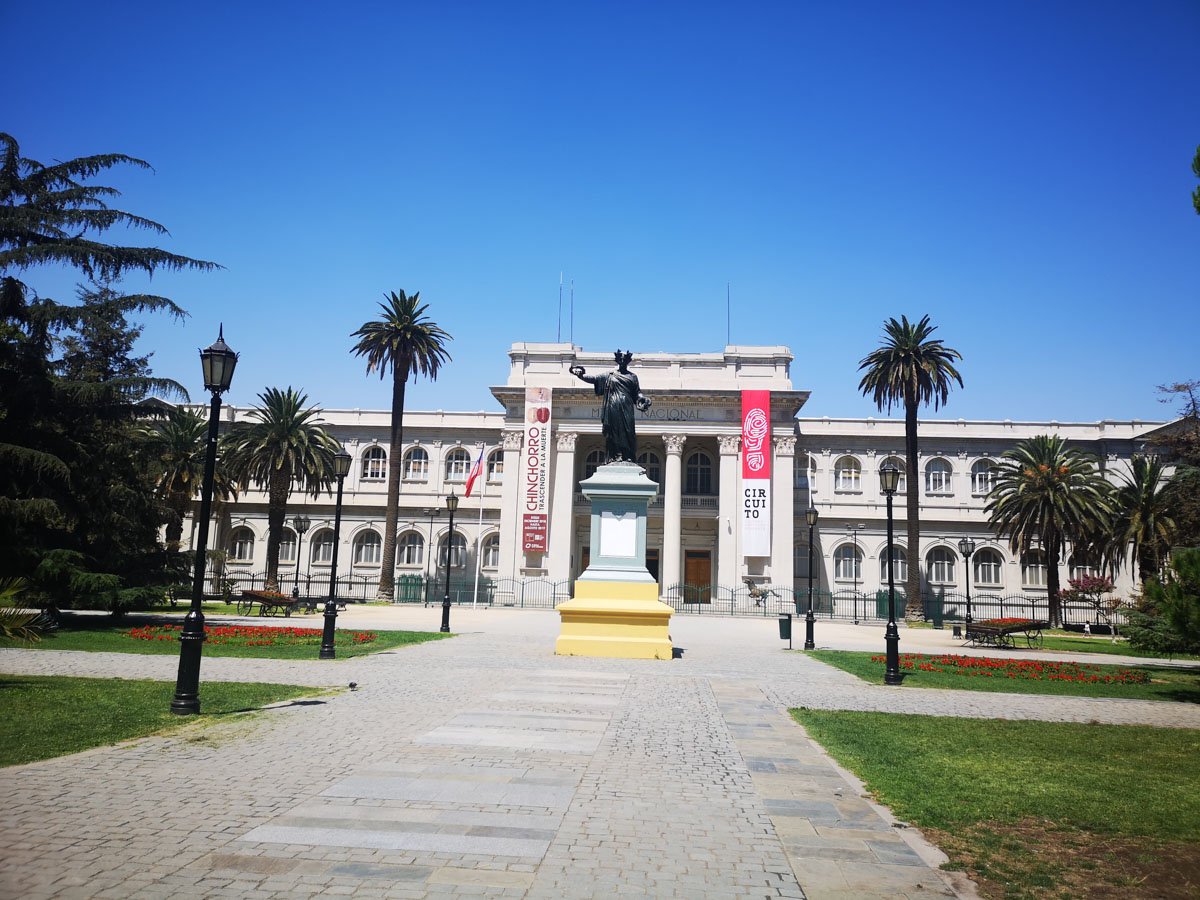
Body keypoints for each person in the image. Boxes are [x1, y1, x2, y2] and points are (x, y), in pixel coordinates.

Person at [570, 350, 651, 463]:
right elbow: (594, 379)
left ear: (628, 361)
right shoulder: (610, 375)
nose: (622, 361)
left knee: (628, 431)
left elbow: (637, 393)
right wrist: (580, 375)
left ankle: (627, 455)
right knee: (614, 431)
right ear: (617, 360)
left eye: (624, 360)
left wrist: (643, 399)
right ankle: (615, 455)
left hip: (627, 406)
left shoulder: (632, 377)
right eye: (620, 359)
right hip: (612, 406)